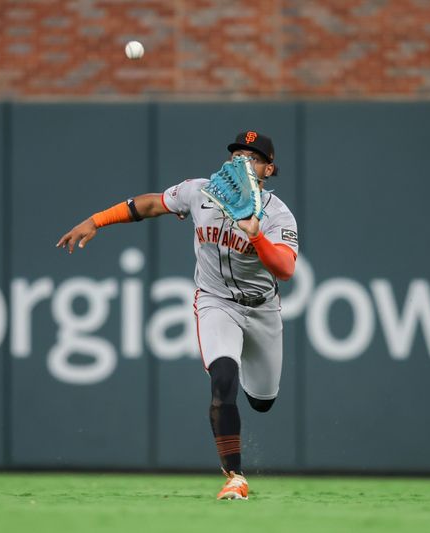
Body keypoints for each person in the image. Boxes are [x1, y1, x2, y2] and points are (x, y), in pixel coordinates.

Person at [56, 131, 299, 500]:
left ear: (268, 168)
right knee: (222, 379)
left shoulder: (277, 214)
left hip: (262, 308)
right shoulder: (200, 192)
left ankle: (251, 418)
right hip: (216, 301)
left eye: (252, 157)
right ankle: (235, 475)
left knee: (262, 402)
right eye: (237, 154)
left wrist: (255, 234)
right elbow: (150, 205)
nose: (242, 162)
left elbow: (285, 269)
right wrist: (97, 220)